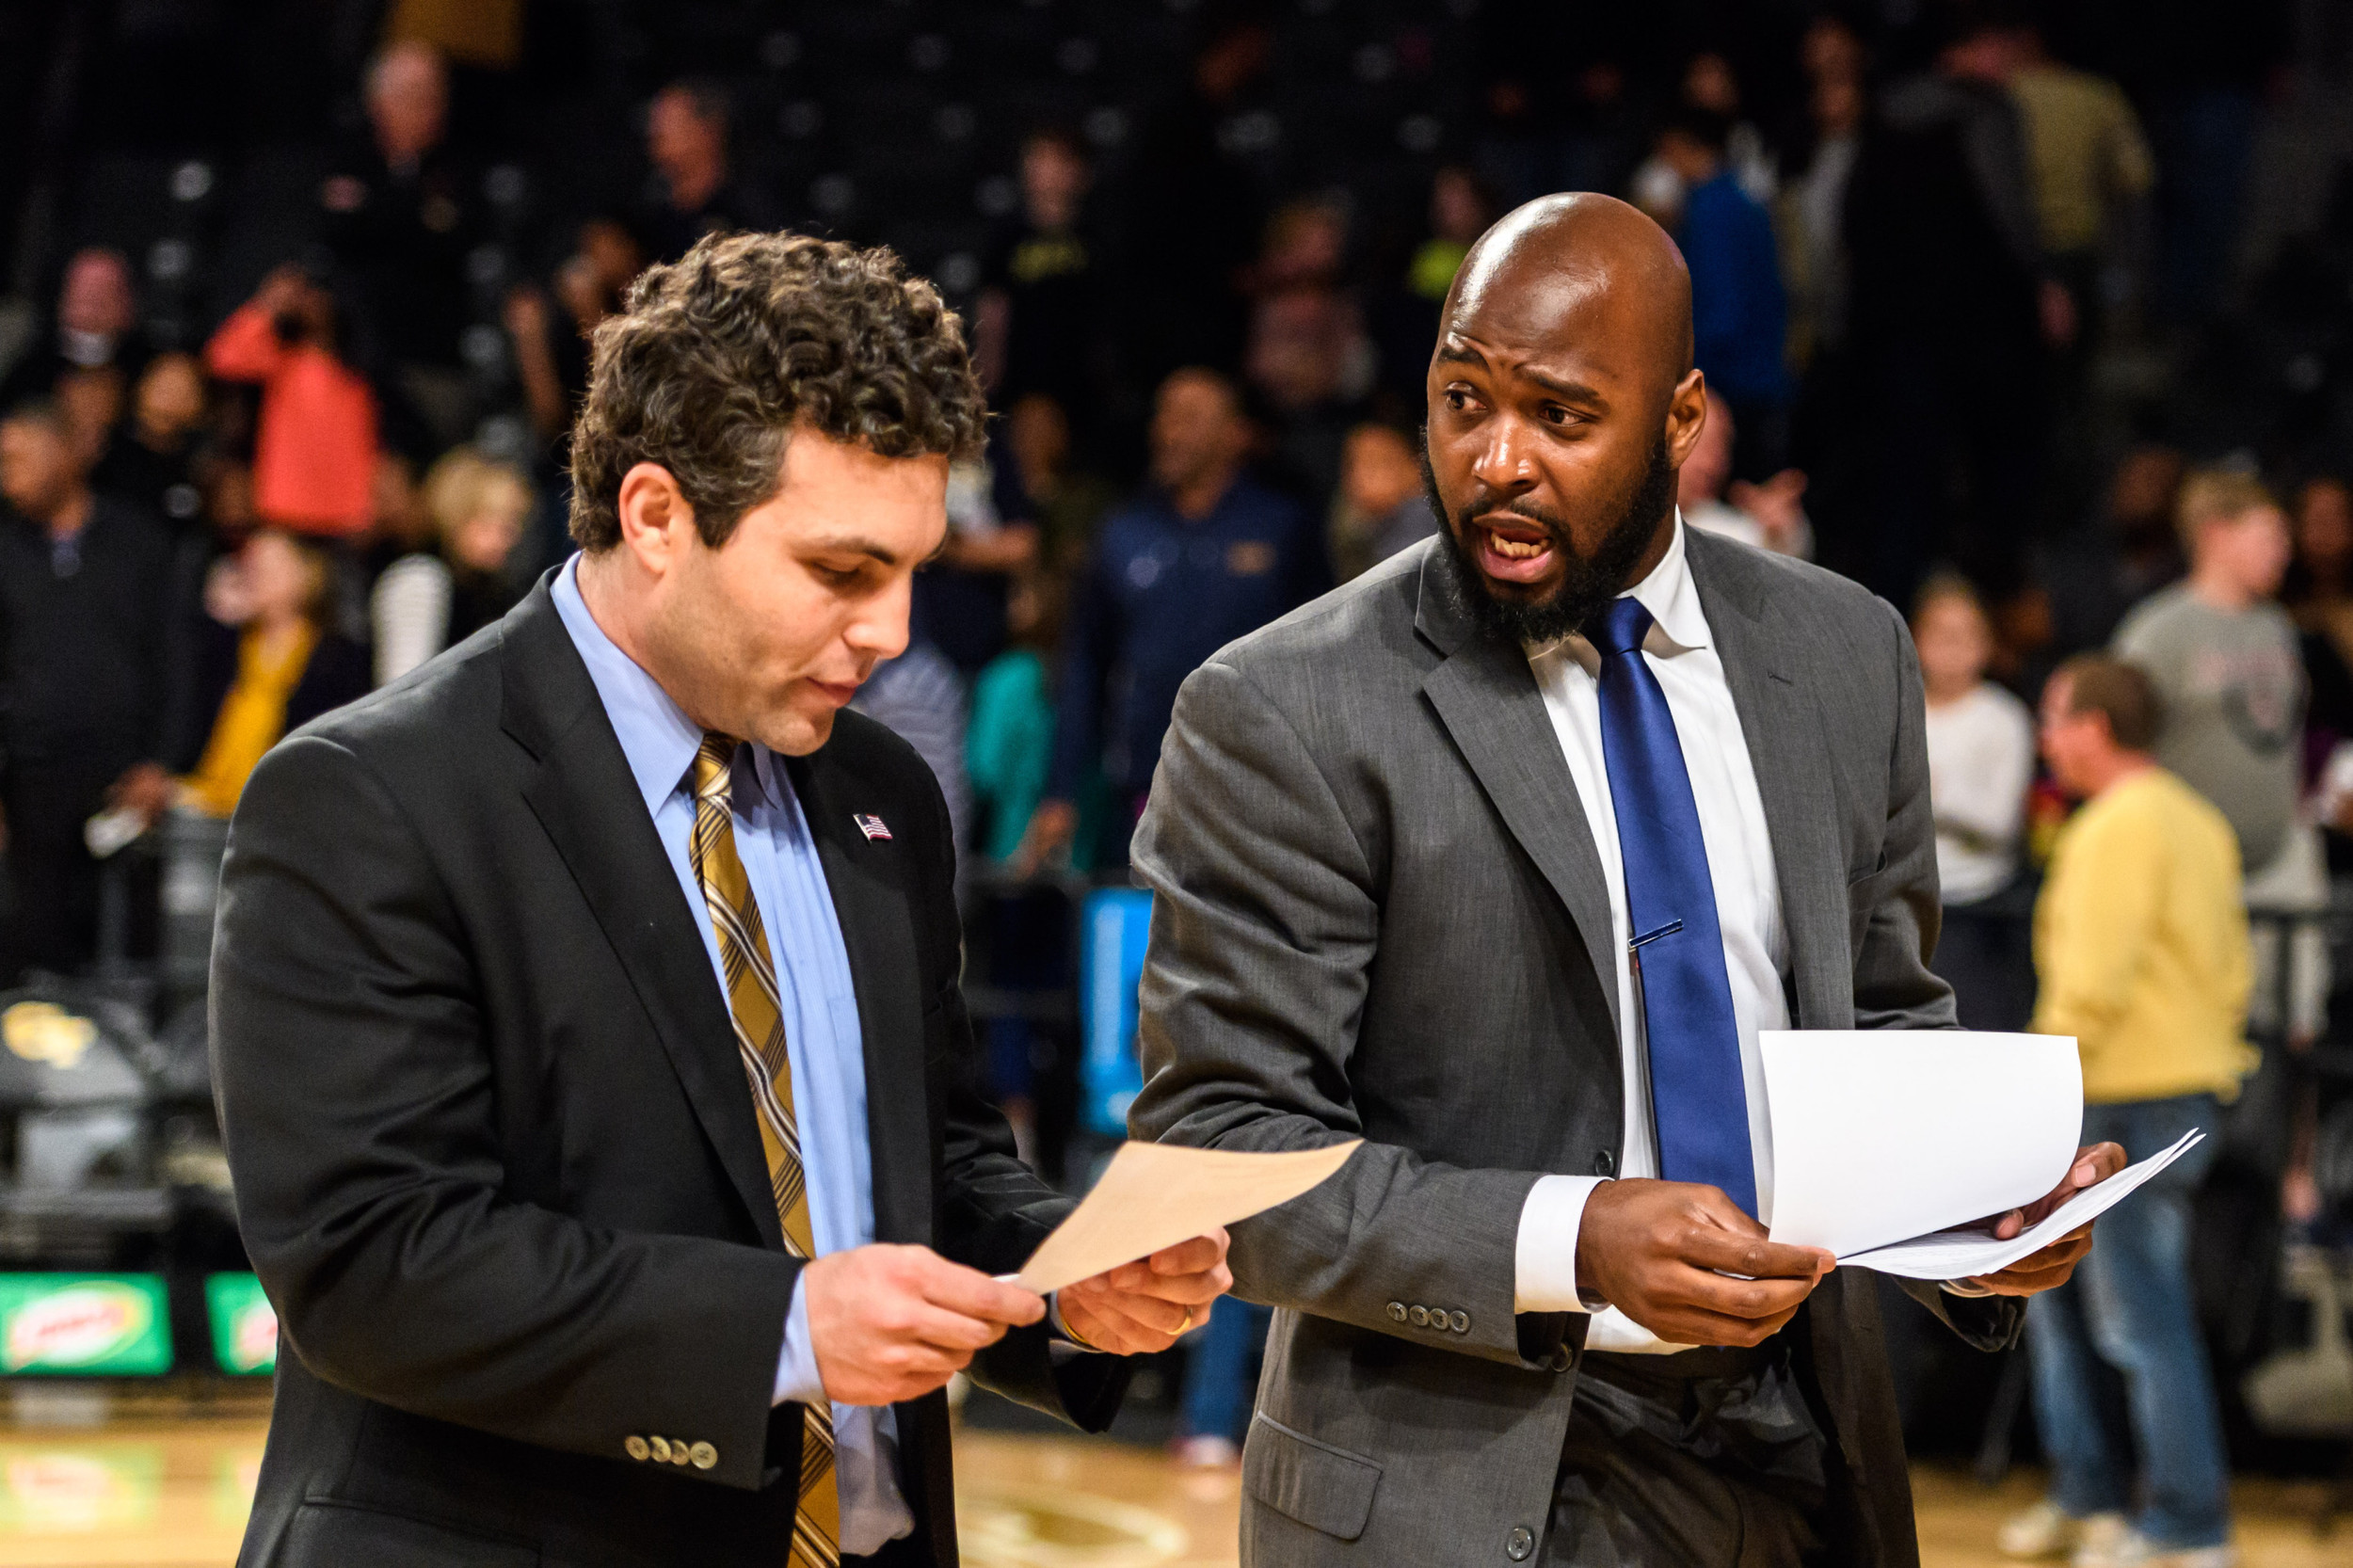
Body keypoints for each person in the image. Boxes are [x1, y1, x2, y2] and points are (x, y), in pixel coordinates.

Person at [1126, 193, 2120, 1568]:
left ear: (1682, 420)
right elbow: (1221, 1154)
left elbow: (1882, 1026)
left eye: (1562, 416)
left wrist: (1980, 1204)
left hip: (1800, 1448)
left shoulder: (1846, 653)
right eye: (1460, 397)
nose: (1497, 460)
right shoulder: (1283, 705)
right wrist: (1569, 1237)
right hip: (1457, 1480)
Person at [210, 232, 1229, 1568]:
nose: (893, 630)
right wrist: (787, 1328)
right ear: (655, 515)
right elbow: (373, 1263)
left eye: (914, 567)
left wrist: (1062, 1276)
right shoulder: (368, 795)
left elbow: (931, 1156)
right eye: (841, 570)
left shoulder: (877, 789)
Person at [2006, 654, 2250, 1568]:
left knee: (2130, 1315)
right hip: (2178, 1085)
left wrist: (2034, 1079)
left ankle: (2188, 1521)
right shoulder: (2196, 819)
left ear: (2094, 728)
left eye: (2054, 718)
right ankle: (2091, 1498)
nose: (2045, 737)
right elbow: (2233, 969)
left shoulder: (2114, 826)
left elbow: (2088, 985)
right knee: (2067, 1306)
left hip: (2111, 1091)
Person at [1030, 367, 1325, 868]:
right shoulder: (1123, 532)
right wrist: (1060, 795)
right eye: (1164, 416)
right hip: (1144, 794)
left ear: (1236, 434)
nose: (1169, 431)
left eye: (1190, 418)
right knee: (1137, 936)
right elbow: (1084, 666)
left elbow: (1323, 659)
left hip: (1262, 795)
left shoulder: (1283, 528)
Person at [2113, 469, 2323, 1047]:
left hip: (2283, 857)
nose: (2285, 550)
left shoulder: (2277, 625)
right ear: (2216, 534)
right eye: (2268, 535)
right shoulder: (2157, 631)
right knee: (2209, 1033)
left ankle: (2295, 1141)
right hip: (2197, 873)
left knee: (2300, 1028)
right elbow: (2123, 750)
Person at [0, 400, 176, 977]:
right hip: (31, 780)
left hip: (125, 779)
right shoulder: (6, 548)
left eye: (18, 456)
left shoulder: (139, 542)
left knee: (128, 949)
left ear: (66, 452)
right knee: (36, 948)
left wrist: (162, 761)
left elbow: (175, 658)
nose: (7, 473)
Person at [319, 40, 474, 448]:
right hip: (353, 363)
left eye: (435, 98)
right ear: (377, 103)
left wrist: (375, 212)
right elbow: (336, 232)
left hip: (428, 361)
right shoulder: (344, 160)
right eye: (412, 97)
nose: (428, 110)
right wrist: (415, 218)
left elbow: (455, 244)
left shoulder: (460, 171)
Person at [168, 529, 370, 820]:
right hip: (203, 807)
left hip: (288, 813)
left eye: (267, 567)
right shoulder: (222, 645)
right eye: (249, 566)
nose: (253, 575)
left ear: (306, 574)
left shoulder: (337, 659)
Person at [1915, 576, 2038, 1031]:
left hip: (1980, 908)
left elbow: (2002, 822)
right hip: (1906, 906)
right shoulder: (1900, 708)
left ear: (1986, 645)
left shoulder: (2003, 717)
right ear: (1916, 639)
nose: (1951, 648)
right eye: (1939, 634)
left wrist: (1932, 792)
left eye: (1964, 636)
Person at [1653, 107, 1793, 476]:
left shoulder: (1713, 211)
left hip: (1734, 389)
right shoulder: (1742, 202)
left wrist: (1692, 381)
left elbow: (1722, 314)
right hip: (1759, 379)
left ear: (1678, 146)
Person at [204, 264, 379, 539]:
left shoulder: (357, 374)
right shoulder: (282, 360)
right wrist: (269, 303)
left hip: (344, 518)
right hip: (282, 513)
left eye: (321, 294)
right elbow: (223, 357)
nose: (313, 303)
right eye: (307, 295)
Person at [370, 448, 532, 685]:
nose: (508, 537)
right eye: (490, 521)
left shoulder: (489, 592)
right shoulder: (421, 579)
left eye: (512, 523)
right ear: (457, 515)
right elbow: (400, 693)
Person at [974, 129, 1101, 420]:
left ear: (1080, 171)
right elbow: (993, 309)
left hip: (1079, 382)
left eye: (1057, 160)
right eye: (1037, 158)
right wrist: (988, 376)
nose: (1046, 170)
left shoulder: (1094, 237)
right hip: (1021, 381)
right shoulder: (1007, 234)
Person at [638, 79, 776, 264]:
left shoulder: (749, 213)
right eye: (655, 123)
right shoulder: (648, 215)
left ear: (710, 130)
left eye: (670, 123)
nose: (655, 132)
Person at [1677, 390, 1811, 558]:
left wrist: (1782, 531)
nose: (1712, 466)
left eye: (1723, 449)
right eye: (1702, 445)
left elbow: (1779, 556)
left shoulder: (1724, 531)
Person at [91, 352, 210, 531]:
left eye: (183, 391)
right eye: (164, 388)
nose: (170, 402)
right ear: (140, 388)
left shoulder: (204, 467)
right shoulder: (105, 454)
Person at [1331, 420, 1439, 581]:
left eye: (1377, 463)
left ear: (1417, 467)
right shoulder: (1352, 522)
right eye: (1353, 464)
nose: (1362, 477)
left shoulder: (1423, 521)